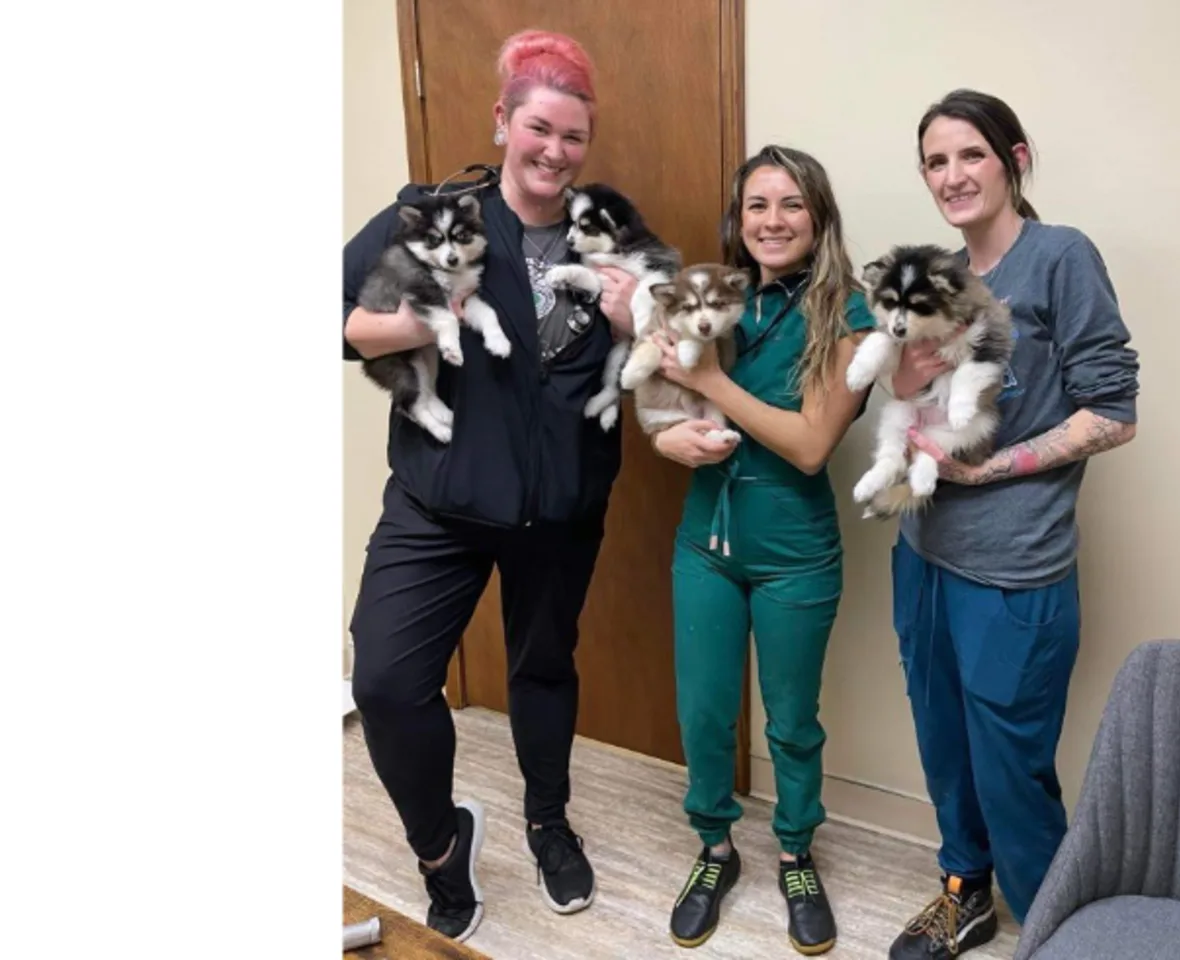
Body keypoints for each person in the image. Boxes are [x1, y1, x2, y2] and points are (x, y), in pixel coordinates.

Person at [341, 30, 638, 942]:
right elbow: (339, 324)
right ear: (503, 121)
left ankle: (549, 824)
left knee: (544, 671)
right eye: (539, 128)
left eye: (573, 136)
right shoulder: (435, 213)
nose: (554, 151)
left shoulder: (610, 226)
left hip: (560, 508)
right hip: (439, 501)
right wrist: (431, 319)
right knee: (388, 680)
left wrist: (643, 317)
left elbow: (660, 347)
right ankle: (441, 847)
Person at [884, 90, 1141, 960]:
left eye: (971, 155)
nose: (952, 176)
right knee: (942, 738)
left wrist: (988, 469)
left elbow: (1114, 411)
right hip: (922, 551)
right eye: (936, 161)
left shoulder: (1061, 258)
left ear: (1014, 158)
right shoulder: (944, 277)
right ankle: (964, 893)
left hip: (1014, 568)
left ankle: (1052, 929)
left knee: (1011, 769)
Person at [648, 145, 877, 955]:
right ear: (737, 218)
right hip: (705, 543)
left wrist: (710, 385)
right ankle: (714, 847)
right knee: (704, 712)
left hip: (795, 554)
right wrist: (667, 436)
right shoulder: (714, 293)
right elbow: (656, 385)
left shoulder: (851, 314)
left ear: (818, 217)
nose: (771, 222)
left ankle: (794, 851)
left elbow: (812, 444)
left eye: (790, 205)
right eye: (756, 206)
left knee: (791, 723)